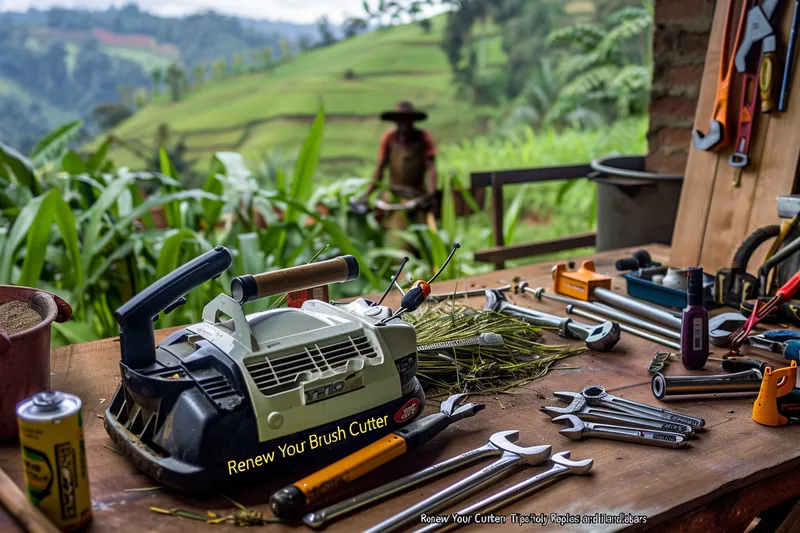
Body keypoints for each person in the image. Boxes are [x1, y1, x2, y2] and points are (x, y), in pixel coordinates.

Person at [363, 101, 438, 231]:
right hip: (394, 194)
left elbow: (431, 168)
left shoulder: (423, 138)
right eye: (400, 120)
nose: (404, 124)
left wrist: (431, 195)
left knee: (425, 231)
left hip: (416, 194)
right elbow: (381, 168)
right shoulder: (390, 138)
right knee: (383, 225)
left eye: (407, 120)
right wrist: (367, 194)